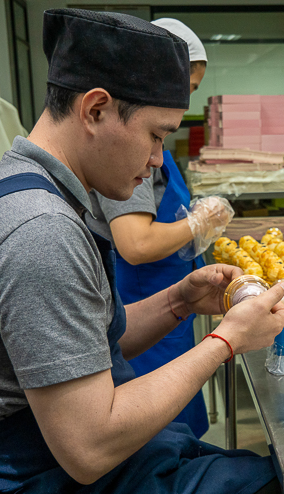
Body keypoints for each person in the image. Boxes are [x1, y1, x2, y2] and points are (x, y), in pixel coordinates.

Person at [0, 9, 284, 494]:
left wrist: (179, 303)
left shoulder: (31, 188)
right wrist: (227, 341)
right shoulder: (40, 232)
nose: (154, 161)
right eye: (155, 136)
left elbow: (76, 355)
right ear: (95, 110)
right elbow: (88, 449)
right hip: (52, 481)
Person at [85, 18, 230, 439]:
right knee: (158, 436)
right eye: (183, 84)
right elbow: (136, 242)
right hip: (141, 313)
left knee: (181, 435)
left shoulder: (150, 150)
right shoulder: (125, 156)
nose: (184, 100)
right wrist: (198, 222)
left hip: (170, 308)